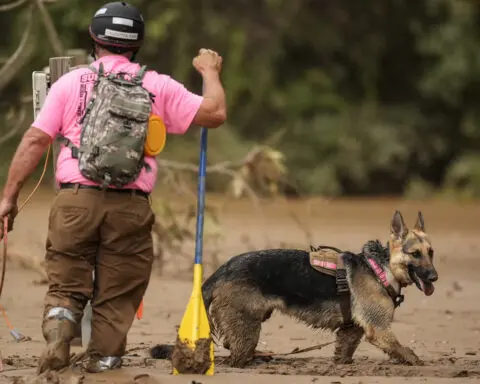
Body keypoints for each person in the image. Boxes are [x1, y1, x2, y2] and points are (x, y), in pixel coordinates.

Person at [0, 1, 226, 374]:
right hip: (130, 207)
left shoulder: (72, 81)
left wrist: (9, 196)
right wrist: (209, 71)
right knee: (117, 294)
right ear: (137, 43)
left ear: (93, 38)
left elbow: (34, 141)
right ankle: (103, 361)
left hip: (74, 202)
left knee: (66, 282)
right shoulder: (157, 85)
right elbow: (215, 113)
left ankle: (59, 336)